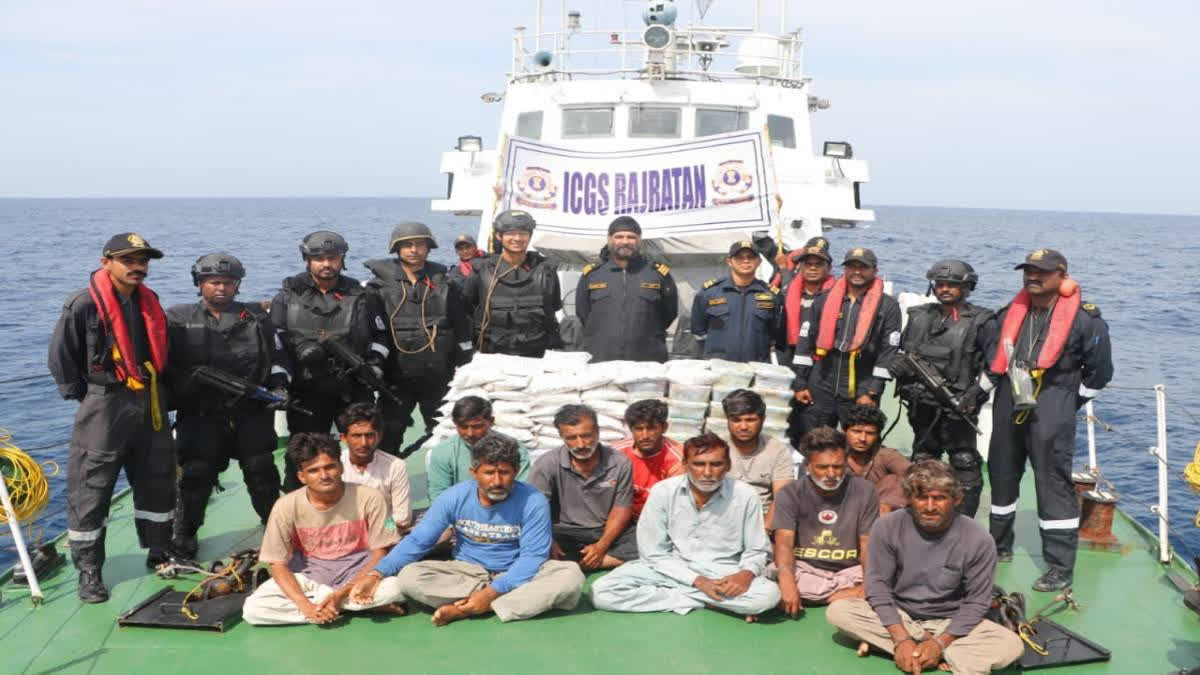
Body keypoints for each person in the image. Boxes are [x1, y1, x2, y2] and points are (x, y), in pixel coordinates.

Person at [49, 233, 174, 603]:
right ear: (107, 262)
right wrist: (91, 398)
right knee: (92, 486)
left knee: (158, 476)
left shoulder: (148, 302)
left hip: (149, 399)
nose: (138, 267)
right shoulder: (84, 303)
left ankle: (159, 551)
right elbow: (62, 357)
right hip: (105, 404)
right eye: (129, 260)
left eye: (143, 260)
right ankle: (89, 571)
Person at [350, 432, 585, 625]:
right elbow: (419, 541)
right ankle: (498, 603)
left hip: (518, 571)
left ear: (515, 471)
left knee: (571, 576)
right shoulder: (455, 497)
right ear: (474, 473)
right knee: (410, 577)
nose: (497, 481)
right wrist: (376, 573)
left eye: (504, 472)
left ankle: (469, 608)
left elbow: (532, 557)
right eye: (489, 472)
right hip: (467, 572)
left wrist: (493, 591)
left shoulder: (533, 500)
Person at [984, 248, 1113, 591]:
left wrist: (1070, 402)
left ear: (1062, 274)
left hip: (1053, 403)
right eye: (1028, 270)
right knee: (1001, 474)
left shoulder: (1086, 319)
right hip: (1009, 400)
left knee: (1053, 485)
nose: (1032, 276)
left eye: (1041, 271)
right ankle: (998, 547)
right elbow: (990, 356)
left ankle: (1059, 567)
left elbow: (1100, 372)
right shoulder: (1007, 314)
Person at [826, 461, 1024, 674]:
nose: (930, 507)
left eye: (939, 498)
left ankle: (913, 649)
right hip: (900, 615)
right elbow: (878, 588)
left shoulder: (978, 539)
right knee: (839, 611)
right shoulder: (887, 527)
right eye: (922, 498)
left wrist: (941, 641)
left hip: (951, 622)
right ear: (910, 499)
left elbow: (976, 602)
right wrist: (901, 638)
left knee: (1012, 645)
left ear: (956, 499)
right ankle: (933, 652)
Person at [166, 252, 287, 560]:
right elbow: (166, 364)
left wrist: (279, 386)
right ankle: (185, 533)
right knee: (195, 474)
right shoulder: (179, 320)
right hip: (200, 414)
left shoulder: (257, 318)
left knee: (261, 470)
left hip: (250, 411)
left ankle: (275, 527)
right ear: (199, 284)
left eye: (228, 282)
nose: (221, 288)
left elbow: (277, 358)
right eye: (213, 282)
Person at [589, 432, 781, 621]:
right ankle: (709, 602)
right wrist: (697, 582)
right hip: (670, 568)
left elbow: (756, 549)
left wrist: (745, 575)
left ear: (728, 465)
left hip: (724, 572)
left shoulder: (745, 495)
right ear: (685, 465)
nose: (707, 473)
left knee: (767, 596)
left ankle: (679, 598)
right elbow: (653, 553)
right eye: (699, 464)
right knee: (601, 591)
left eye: (716, 464)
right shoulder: (663, 491)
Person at [242, 433, 404, 625]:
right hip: (310, 579)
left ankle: (334, 603)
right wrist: (305, 607)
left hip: (360, 574)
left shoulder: (371, 497)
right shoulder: (284, 506)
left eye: (330, 467)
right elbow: (277, 564)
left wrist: (344, 591)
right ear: (301, 476)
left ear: (341, 467)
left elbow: (381, 552)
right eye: (314, 471)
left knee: (399, 588)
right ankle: (345, 605)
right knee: (253, 610)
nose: (324, 476)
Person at [270, 230, 389, 490]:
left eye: (333, 258)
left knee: (363, 447)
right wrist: (282, 380)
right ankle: (296, 504)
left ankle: (370, 498)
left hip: (353, 386)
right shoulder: (286, 297)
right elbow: (276, 342)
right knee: (302, 453)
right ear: (307, 260)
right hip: (307, 390)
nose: (326, 264)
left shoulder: (362, 296)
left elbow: (381, 335)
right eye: (319, 258)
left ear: (342, 259)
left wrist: (375, 364)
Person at [891, 259, 996, 517]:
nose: (945, 289)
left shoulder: (982, 321)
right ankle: (922, 513)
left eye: (952, 284)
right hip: (921, 402)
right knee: (924, 458)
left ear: (967, 287)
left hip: (958, 405)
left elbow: (995, 367)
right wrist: (897, 369)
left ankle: (964, 520)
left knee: (964, 461)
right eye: (940, 284)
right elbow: (902, 351)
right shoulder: (919, 316)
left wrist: (974, 395)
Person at [364, 223, 472, 456]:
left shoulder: (446, 284)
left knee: (445, 436)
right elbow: (373, 331)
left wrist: (465, 367)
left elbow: (462, 329)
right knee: (387, 436)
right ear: (397, 248)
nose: (414, 250)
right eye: (407, 245)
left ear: (428, 248)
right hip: (396, 378)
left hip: (438, 376)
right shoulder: (377, 289)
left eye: (419, 244)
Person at [791, 247, 902, 430]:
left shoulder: (888, 307)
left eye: (863, 267)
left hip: (861, 387)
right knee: (816, 438)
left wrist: (872, 392)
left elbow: (888, 352)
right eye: (851, 266)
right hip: (822, 383)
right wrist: (801, 384)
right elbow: (805, 342)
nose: (857, 271)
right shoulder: (823, 300)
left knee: (859, 442)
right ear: (845, 270)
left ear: (874, 270)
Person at [774, 426, 878, 613]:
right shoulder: (790, 493)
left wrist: (868, 587)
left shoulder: (865, 491)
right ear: (807, 466)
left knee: (891, 576)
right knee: (772, 574)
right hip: (806, 570)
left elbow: (867, 545)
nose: (831, 474)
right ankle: (841, 596)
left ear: (846, 464)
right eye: (822, 467)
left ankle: (824, 597)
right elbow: (784, 544)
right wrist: (787, 584)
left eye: (838, 466)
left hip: (850, 572)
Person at [528, 404, 637, 570]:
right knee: (526, 542)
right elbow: (534, 510)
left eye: (586, 436)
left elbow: (621, 508)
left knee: (648, 540)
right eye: (571, 438)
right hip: (562, 532)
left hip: (604, 530)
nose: (580, 444)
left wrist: (602, 545)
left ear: (598, 431)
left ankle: (575, 564)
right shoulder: (546, 463)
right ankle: (594, 562)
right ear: (561, 436)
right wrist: (547, 540)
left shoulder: (619, 462)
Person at [575, 216, 678, 362]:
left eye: (631, 237)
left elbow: (669, 313)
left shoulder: (657, 274)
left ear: (639, 240)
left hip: (647, 358)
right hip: (601, 358)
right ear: (610, 239)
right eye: (619, 236)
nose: (625, 241)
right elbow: (583, 313)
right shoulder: (593, 275)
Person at [462, 210, 563, 357]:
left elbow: (552, 307)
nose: (517, 238)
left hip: (537, 354)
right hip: (493, 353)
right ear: (499, 236)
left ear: (530, 236)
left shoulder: (545, 270)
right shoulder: (482, 271)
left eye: (523, 233)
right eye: (510, 233)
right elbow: (466, 310)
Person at [690, 240, 783, 363]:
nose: (745, 261)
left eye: (751, 257)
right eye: (739, 257)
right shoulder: (709, 293)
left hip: (756, 367)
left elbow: (775, 333)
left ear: (759, 262)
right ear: (729, 261)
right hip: (720, 367)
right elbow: (698, 330)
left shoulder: (771, 295)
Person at [781, 237, 836, 445]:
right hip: (788, 363)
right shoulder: (785, 293)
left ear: (828, 267)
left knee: (815, 424)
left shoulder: (837, 297)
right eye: (808, 264)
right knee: (787, 421)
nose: (812, 268)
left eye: (818, 264)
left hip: (820, 370)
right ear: (800, 266)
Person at [427, 396, 531, 502]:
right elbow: (439, 495)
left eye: (477, 427)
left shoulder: (513, 448)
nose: (470, 433)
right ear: (455, 423)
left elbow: (523, 489)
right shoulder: (443, 452)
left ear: (491, 421)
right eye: (463, 427)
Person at [721, 389, 794, 527]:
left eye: (750, 420)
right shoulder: (717, 447)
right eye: (736, 420)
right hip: (723, 517)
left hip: (762, 519)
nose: (743, 427)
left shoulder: (777, 450)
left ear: (763, 419)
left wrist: (764, 530)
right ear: (727, 420)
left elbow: (782, 497)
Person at [336, 403, 412, 533]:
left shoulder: (395, 466)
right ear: (343, 438)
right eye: (356, 436)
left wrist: (378, 529)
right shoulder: (334, 467)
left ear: (379, 436)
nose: (364, 443)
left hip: (387, 531)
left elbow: (402, 517)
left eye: (369, 435)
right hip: (345, 534)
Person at [608, 399, 684, 519]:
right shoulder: (615, 453)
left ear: (664, 427)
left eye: (651, 428)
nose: (645, 436)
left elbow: (674, 505)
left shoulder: (678, 459)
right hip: (618, 516)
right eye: (639, 429)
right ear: (630, 429)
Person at [842, 405, 910, 513]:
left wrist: (889, 503)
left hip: (881, 513)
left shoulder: (885, 454)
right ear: (845, 431)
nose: (862, 439)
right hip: (844, 510)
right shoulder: (834, 456)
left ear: (877, 435)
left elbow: (916, 474)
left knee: (893, 480)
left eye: (870, 433)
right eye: (856, 431)